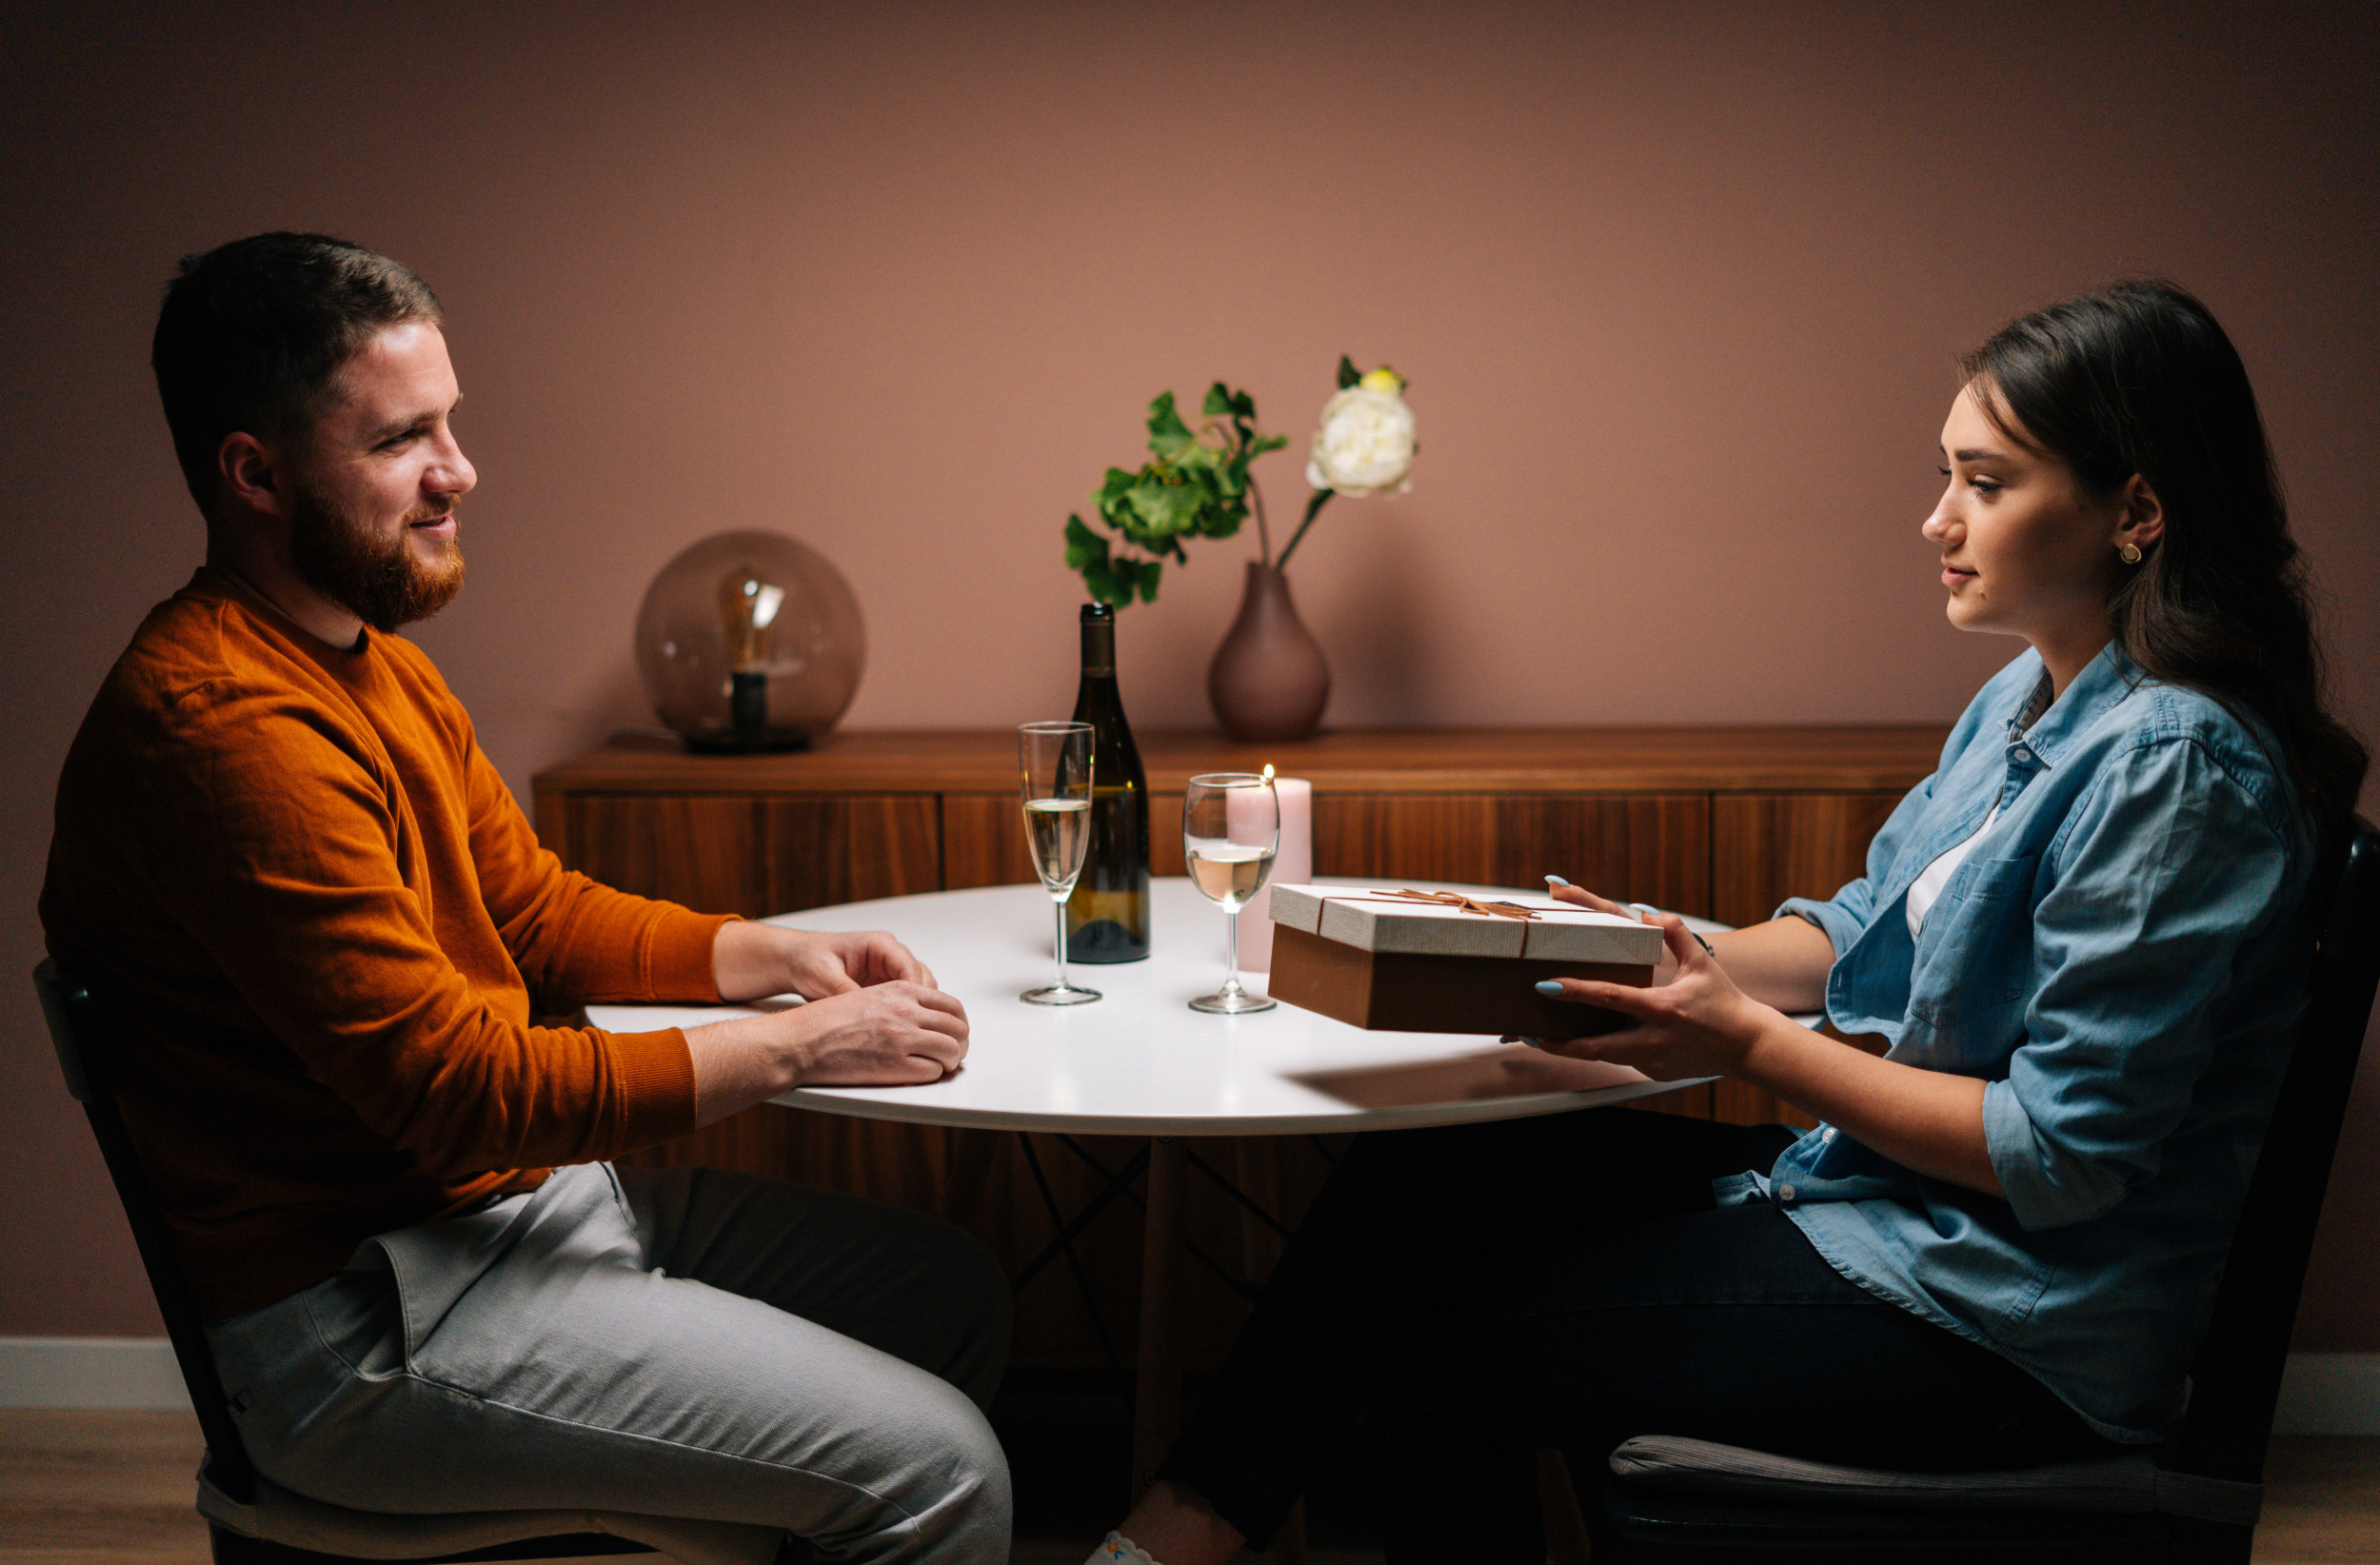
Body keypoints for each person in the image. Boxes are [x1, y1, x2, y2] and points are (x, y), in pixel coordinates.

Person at [1087, 280, 2370, 1565]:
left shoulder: (2178, 768)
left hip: (2007, 1321)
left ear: (2137, 512)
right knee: (1422, 1175)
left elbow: (2060, 1154)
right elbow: (1861, 932)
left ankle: (1170, 1542)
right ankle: (1177, 1534)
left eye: (1986, 484)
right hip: (1883, 1207)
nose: (1937, 519)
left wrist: (1745, 1043)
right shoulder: (2030, 699)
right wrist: (1646, 948)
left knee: (1446, 1351)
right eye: (1948, 476)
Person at [41, 232, 1012, 1562]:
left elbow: (534, 913)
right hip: (364, 1325)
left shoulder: (365, 662)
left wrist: (778, 955)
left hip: (509, 1220)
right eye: (402, 440)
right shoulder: (219, 731)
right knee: (945, 1473)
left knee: (949, 1294)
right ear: (254, 473)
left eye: (452, 422)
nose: (460, 472)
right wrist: (800, 1047)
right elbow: (459, 1092)